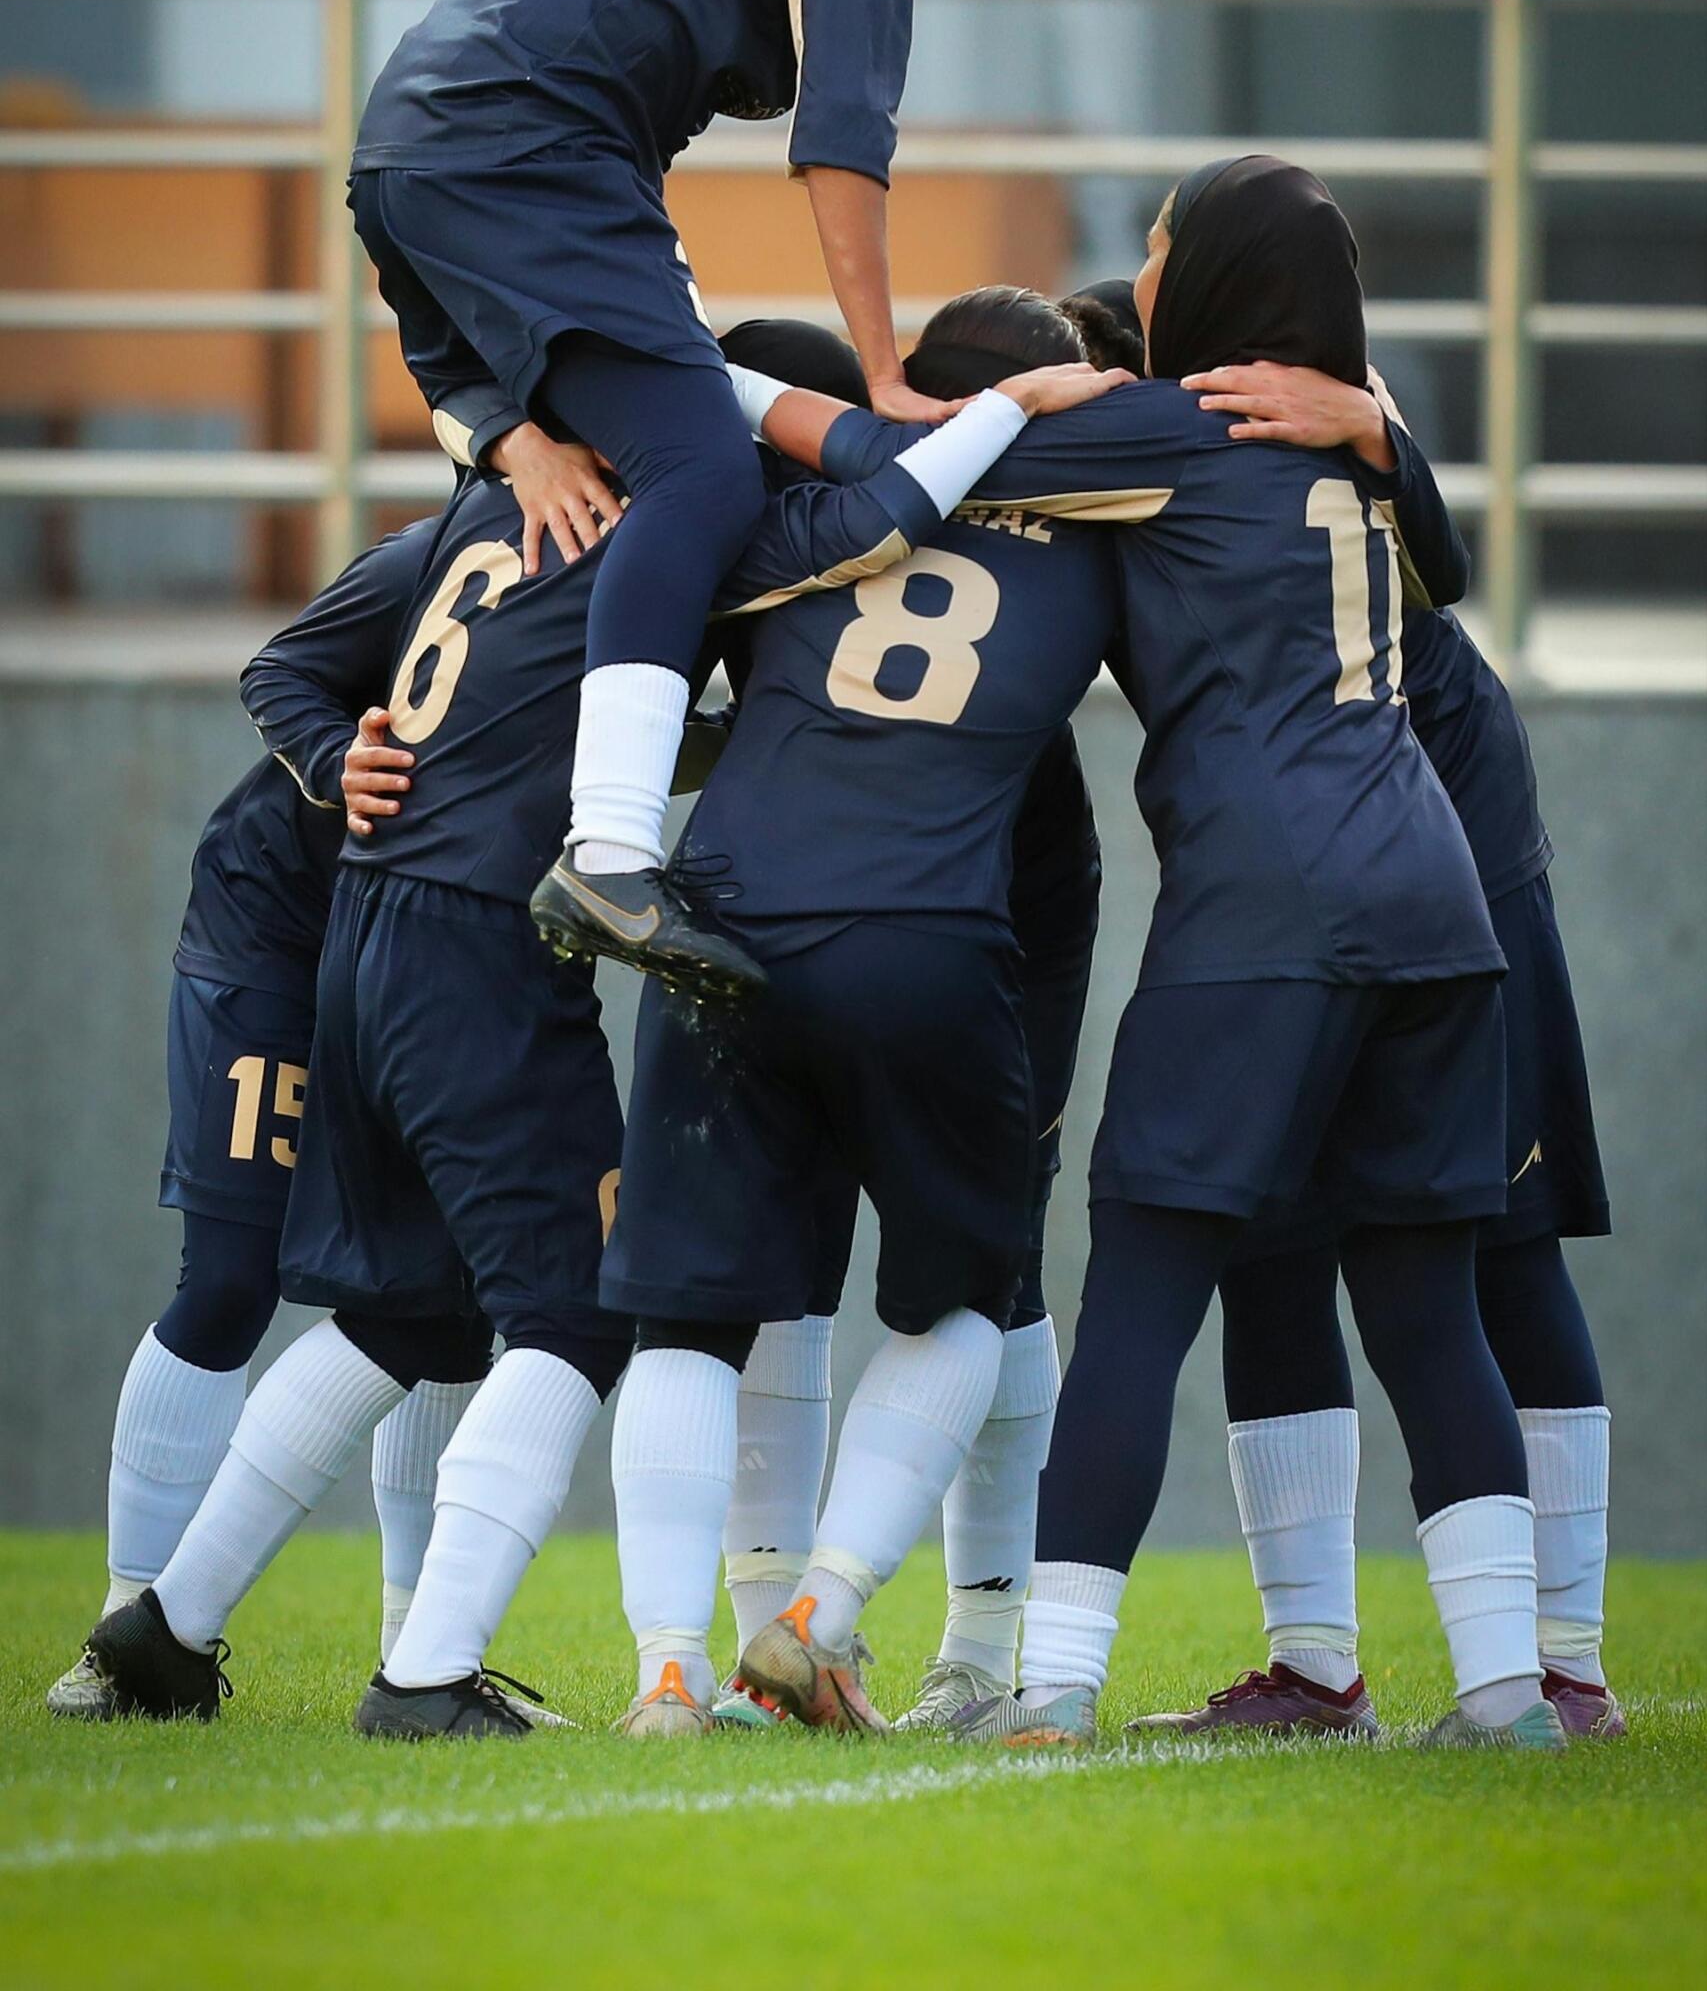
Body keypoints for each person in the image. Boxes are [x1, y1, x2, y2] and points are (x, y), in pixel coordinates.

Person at [79, 379, 1077, 1732]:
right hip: (482, 942)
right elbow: (889, 510)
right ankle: (423, 1679)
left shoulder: (501, 495)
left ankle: (165, 1628)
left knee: (409, 1312)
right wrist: (1007, 401)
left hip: (370, 927)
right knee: (577, 1316)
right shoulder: (695, 504)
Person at [798, 158, 1567, 1753]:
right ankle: (1506, 1695)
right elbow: (1457, 567)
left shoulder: (1176, 426)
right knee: (1426, 1305)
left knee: (1142, 1280)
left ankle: (1058, 1687)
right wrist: (1388, 425)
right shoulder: (1347, 437)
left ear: (1211, 276)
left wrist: (703, 378)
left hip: (1268, 904)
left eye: (1157, 251)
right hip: (1435, 905)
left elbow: (912, 454)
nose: (1141, 283)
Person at [347, 0, 1117, 999]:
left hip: (427, 142)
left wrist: (499, 425)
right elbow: (841, 136)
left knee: (680, 417)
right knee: (700, 468)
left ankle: (644, 724)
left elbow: (401, 191)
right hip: (534, 146)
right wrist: (887, 376)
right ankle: (611, 844)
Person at [597, 305, 1129, 1735]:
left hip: (727, 910)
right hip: (922, 934)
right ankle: (820, 1615)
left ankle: (665, 1674)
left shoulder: (824, 514)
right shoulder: (1099, 538)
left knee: (686, 1325)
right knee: (969, 1295)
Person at [45, 379, 565, 1724]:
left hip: (431, 956)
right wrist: (339, 762)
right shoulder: (458, 543)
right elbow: (278, 668)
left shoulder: (654, 556)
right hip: (285, 935)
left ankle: (410, 1650)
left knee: (431, 1283)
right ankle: (130, 1630)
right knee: (229, 1275)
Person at [1113, 359, 1617, 1741]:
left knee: (1498, 1244)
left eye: (1168, 248)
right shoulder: (1177, 450)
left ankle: (1563, 1661)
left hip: (1454, 864)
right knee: (1270, 1246)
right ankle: (1315, 1669)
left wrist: (1385, 429)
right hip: (1307, 889)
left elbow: (1436, 569)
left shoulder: (1274, 413)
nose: (1159, 266)